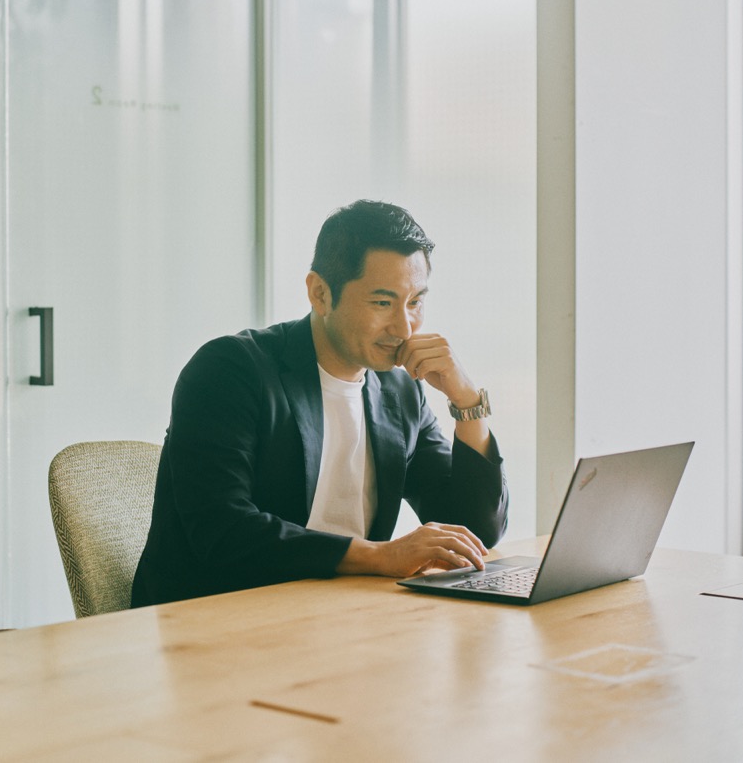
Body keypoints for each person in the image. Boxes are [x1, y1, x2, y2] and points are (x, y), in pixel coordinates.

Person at [130, 199, 508, 607]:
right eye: (382, 302)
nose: (404, 327)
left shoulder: (401, 393)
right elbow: (222, 532)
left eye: (414, 302)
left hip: (340, 617)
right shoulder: (230, 370)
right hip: (215, 622)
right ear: (320, 293)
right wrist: (382, 556)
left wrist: (467, 401)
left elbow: (474, 531)